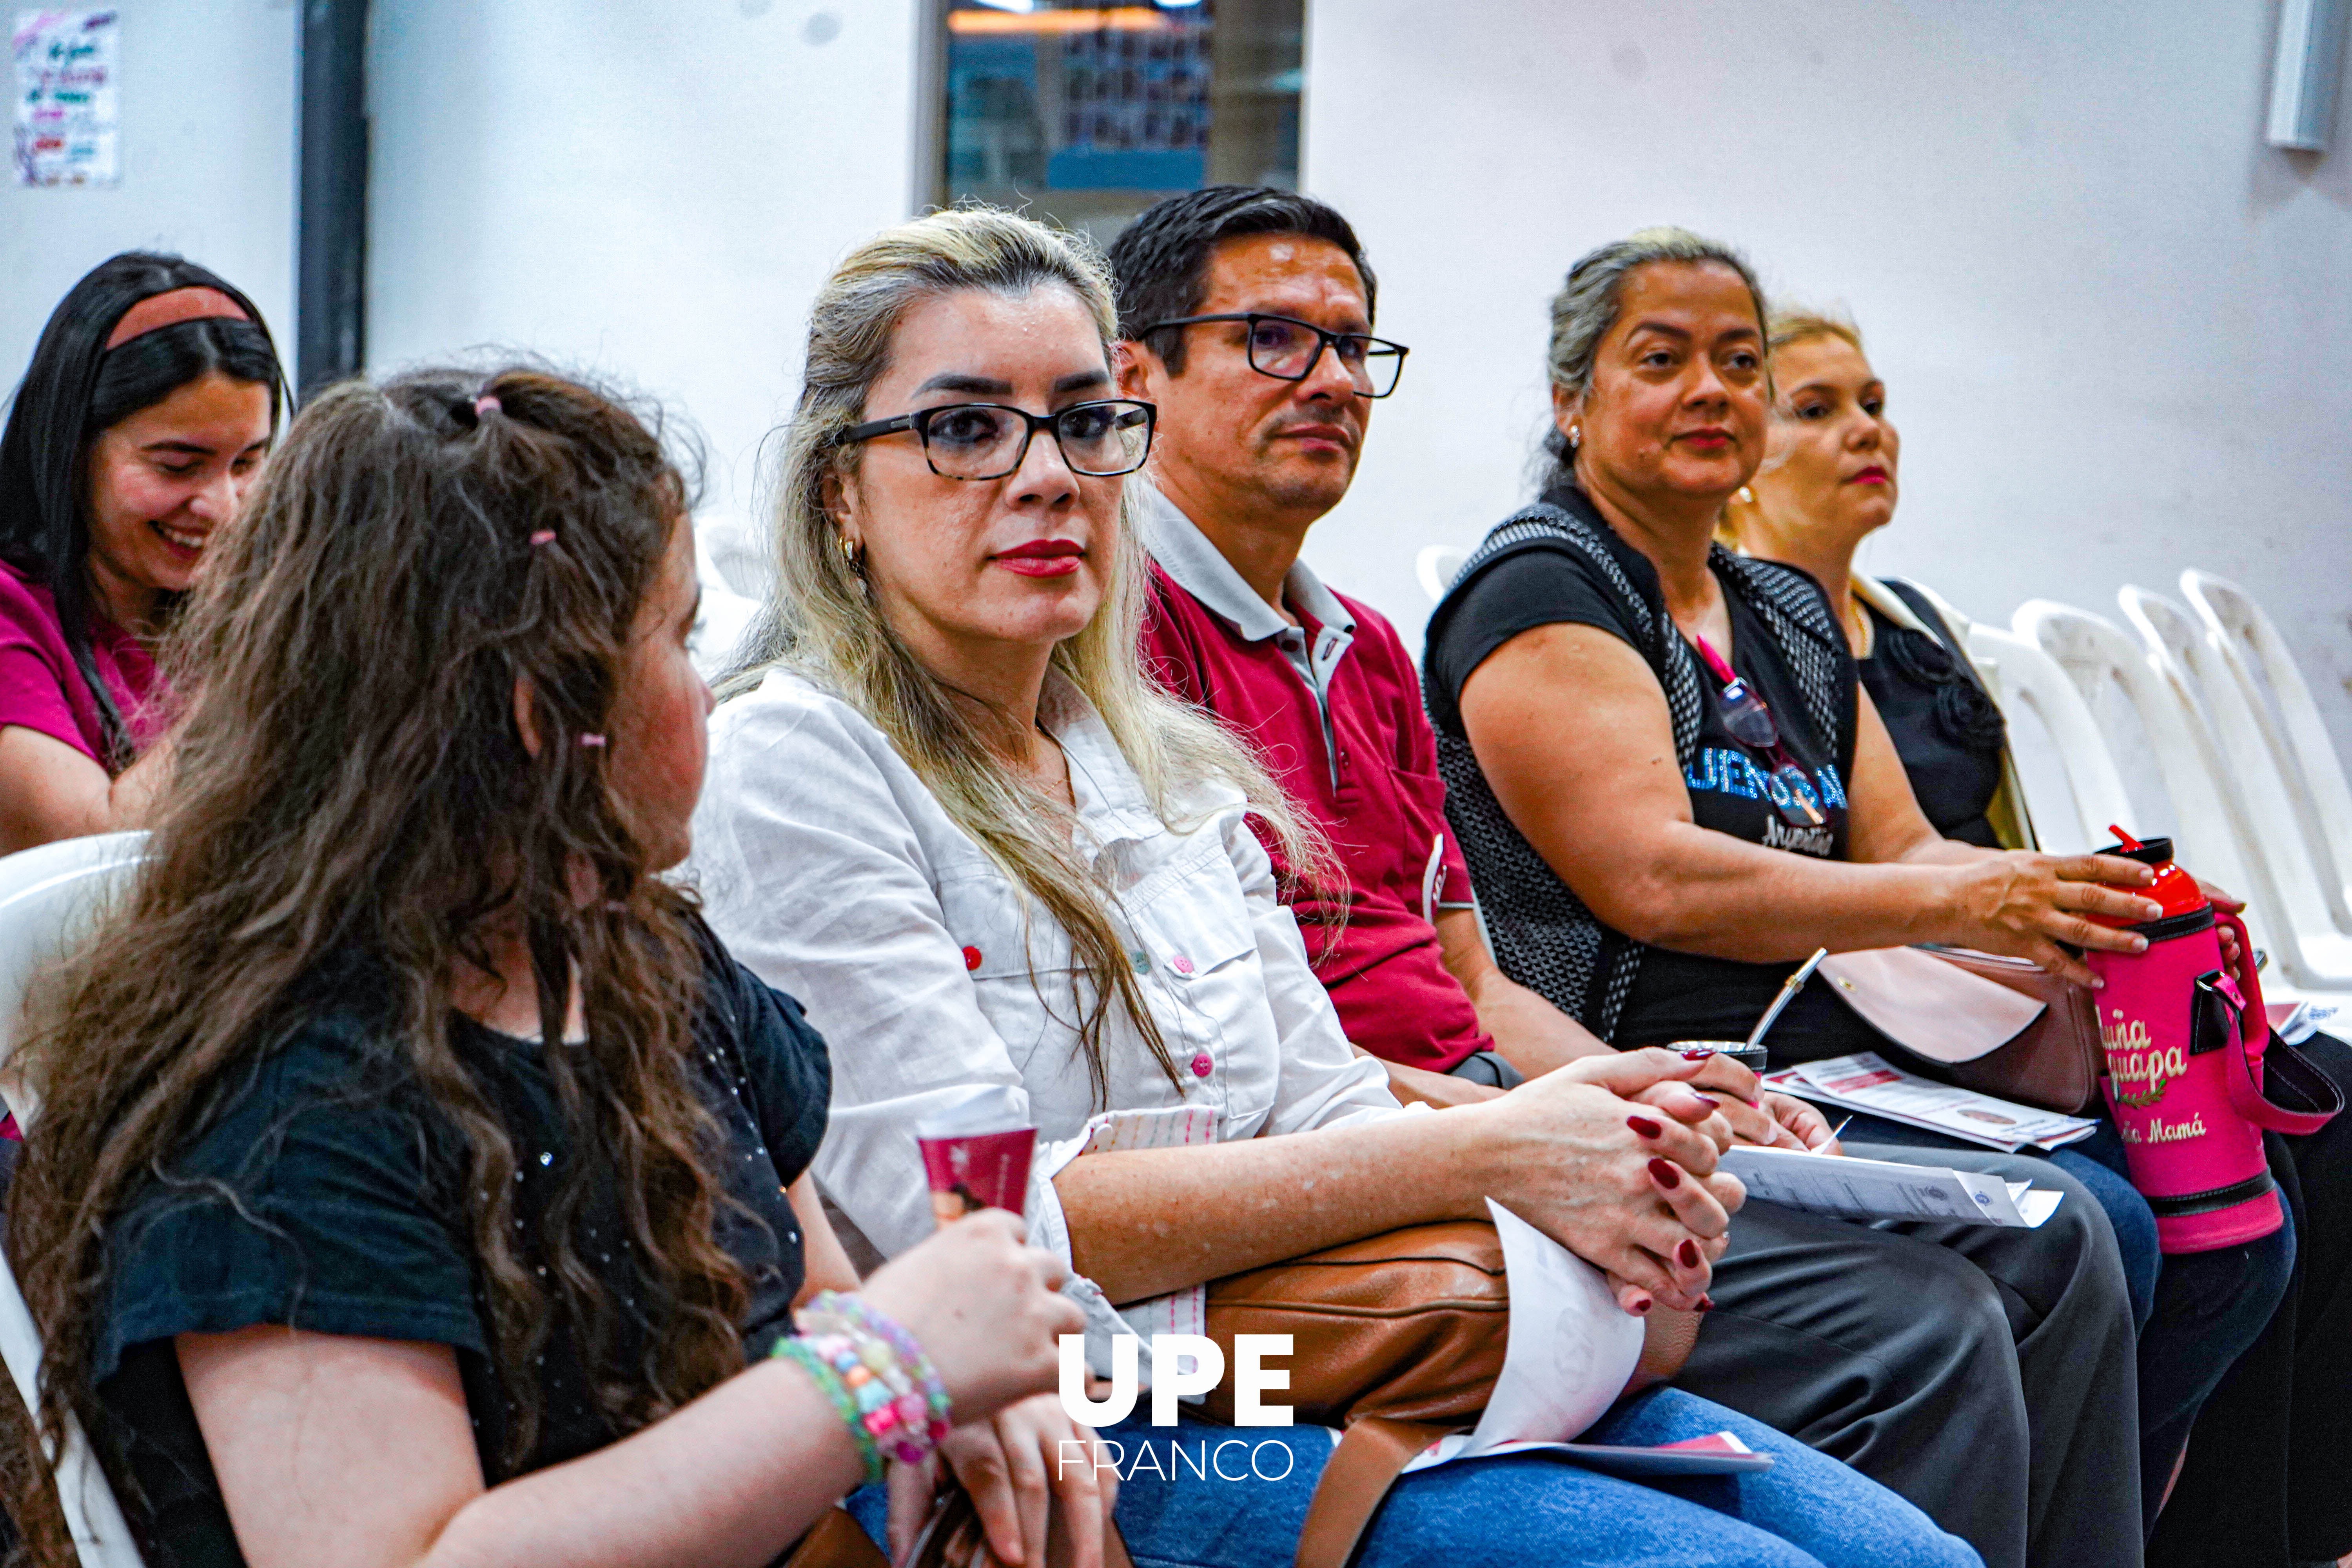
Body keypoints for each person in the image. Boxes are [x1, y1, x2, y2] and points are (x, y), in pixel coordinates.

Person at [690, 204, 1980, 1568]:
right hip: (1082, 1417)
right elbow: (980, 1234)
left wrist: (1594, 1136)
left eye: (1082, 423)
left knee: (1924, 1560)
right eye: (964, 428)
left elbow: (1322, 1094)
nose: (1046, 475)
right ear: (841, 491)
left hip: (1317, 1348)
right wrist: (1491, 1146)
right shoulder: (799, 758)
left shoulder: (1166, 766)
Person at [2, 367, 1096, 1568]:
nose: (709, 692)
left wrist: (954, 1400)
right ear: (541, 712)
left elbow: (809, 1307)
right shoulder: (288, 1107)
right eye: (679, 641)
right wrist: (885, 1373)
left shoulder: (653, 964)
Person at [1421, 228, 2156, 1568]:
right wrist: (1966, 908)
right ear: (1571, 399)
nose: (1712, 390)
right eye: (1664, 359)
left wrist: (2061, 893)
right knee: (2002, 1281)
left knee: (2090, 1231)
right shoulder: (1544, 586)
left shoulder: (1785, 610)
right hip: (1647, 1073)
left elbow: (1903, 846)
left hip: (1826, 1068)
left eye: (1742, 363)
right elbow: (1651, 876)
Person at [1721, 310, 2338, 1564]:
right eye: (1818, 405)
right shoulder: (1746, 646)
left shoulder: (1908, 629)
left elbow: (1984, 842)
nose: (1867, 431)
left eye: (1877, 400)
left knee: (2317, 1123)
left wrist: (2108, 915)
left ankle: (2264, 1527)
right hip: (1888, 1008)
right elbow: (1846, 887)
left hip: (1995, 984)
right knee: (2148, 1216)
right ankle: (2115, 1508)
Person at [0, 253, 285, 853]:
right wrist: (267, 657)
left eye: (248, 464)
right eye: (178, 466)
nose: (224, 508)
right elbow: (88, 860)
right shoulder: (13, 613)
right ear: (73, 450)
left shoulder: (235, 600)